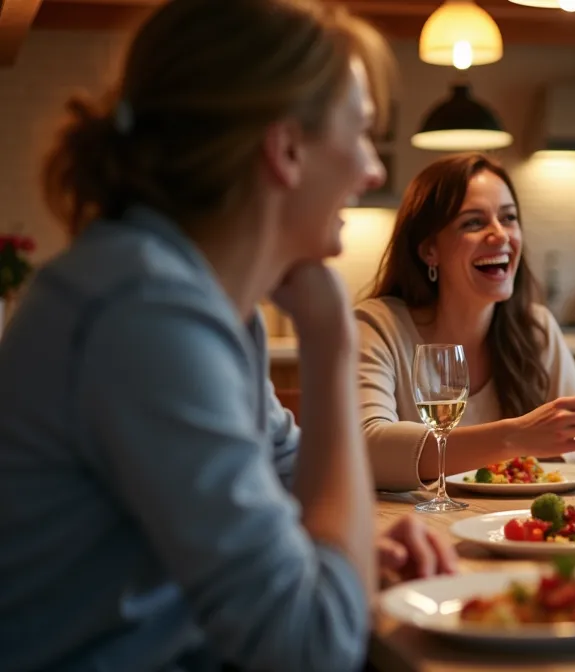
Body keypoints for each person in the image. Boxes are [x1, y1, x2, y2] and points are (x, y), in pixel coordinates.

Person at [0, 2, 454, 671]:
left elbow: (289, 482)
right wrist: (331, 348)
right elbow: (312, 648)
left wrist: (351, 551)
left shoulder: (199, 300)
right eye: (360, 134)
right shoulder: (146, 312)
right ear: (286, 150)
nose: (373, 170)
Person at [357, 153, 575, 492]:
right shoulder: (378, 327)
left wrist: (533, 449)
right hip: (419, 532)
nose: (500, 235)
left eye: (509, 218)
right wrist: (515, 439)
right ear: (429, 251)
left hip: (514, 527)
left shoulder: (535, 328)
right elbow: (366, 449)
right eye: (473, 222)